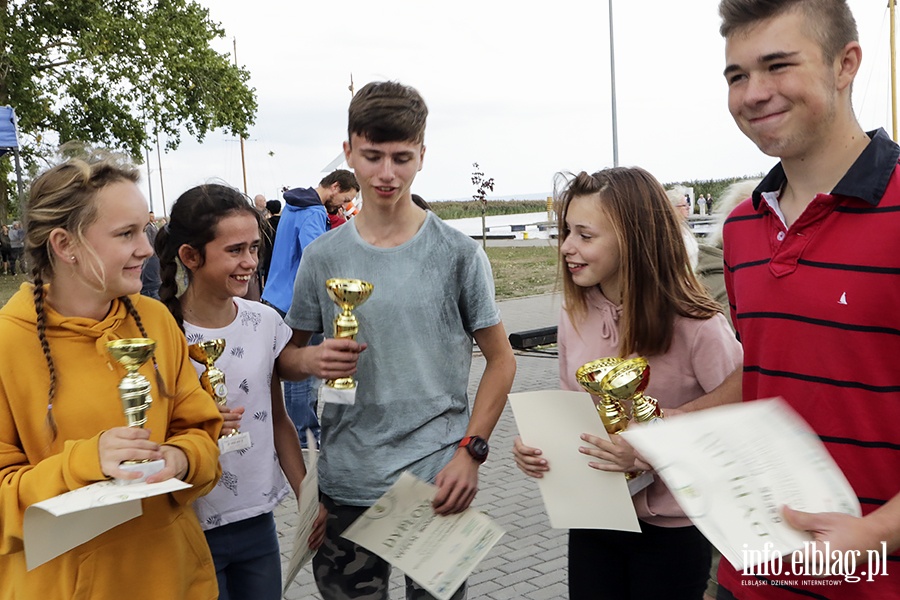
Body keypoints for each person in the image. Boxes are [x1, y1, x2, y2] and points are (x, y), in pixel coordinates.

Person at [684, 1, 900, 598]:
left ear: (845, 64)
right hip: (748, 574)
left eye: (777, 65)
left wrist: (878, 531)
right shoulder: (741, 229)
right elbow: (766, 370)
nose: (753, 93)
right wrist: (666, 432)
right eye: (736, 75)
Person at [281, 80, 517, 599]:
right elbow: (286, 361)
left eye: (401, 157)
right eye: (371, 156)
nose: (386, 173)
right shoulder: (322, 257)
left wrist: (471, 452)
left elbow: (501, 361)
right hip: (344, 485)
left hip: (436, 483)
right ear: (349, 152)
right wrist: (312, 358)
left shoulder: (457, 253)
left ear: (422, 156)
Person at [513, 167, 742, 600]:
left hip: (673, 531)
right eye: (566, 232)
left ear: (633, 238)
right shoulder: (572, 315)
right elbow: (574, 413)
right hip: (593, 523)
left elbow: (739, 416)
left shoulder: (699, 323)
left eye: (584, 235)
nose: (566, 247)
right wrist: (541, 450)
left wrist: (653, 444)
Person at [0, 157, 223, 599]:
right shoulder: (7, 342)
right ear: (66, 245)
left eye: (145, 229)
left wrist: (181, 459)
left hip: (175, 580)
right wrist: (85, 462)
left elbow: (201, 431)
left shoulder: (157, 320)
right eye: (127, 233)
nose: (146, 247)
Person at [155, 183, 326, 600]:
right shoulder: (161, 331)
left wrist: (308, 496)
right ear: (190, 257)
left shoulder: (263, 321)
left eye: (254, 248)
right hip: (188, 521)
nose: (249, 262)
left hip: (256, 519)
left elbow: (279, 419)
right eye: (235, 250)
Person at [262, 170, 360, 448]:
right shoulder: (314, 211)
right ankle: (305, 435)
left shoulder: (294, 206)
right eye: (345, 198)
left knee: (292, 372)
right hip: (299, 302)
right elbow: (316, 255)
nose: (342, 205)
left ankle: (297, 431)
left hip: (276, 297)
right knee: (302, 376)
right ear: (336, 186)